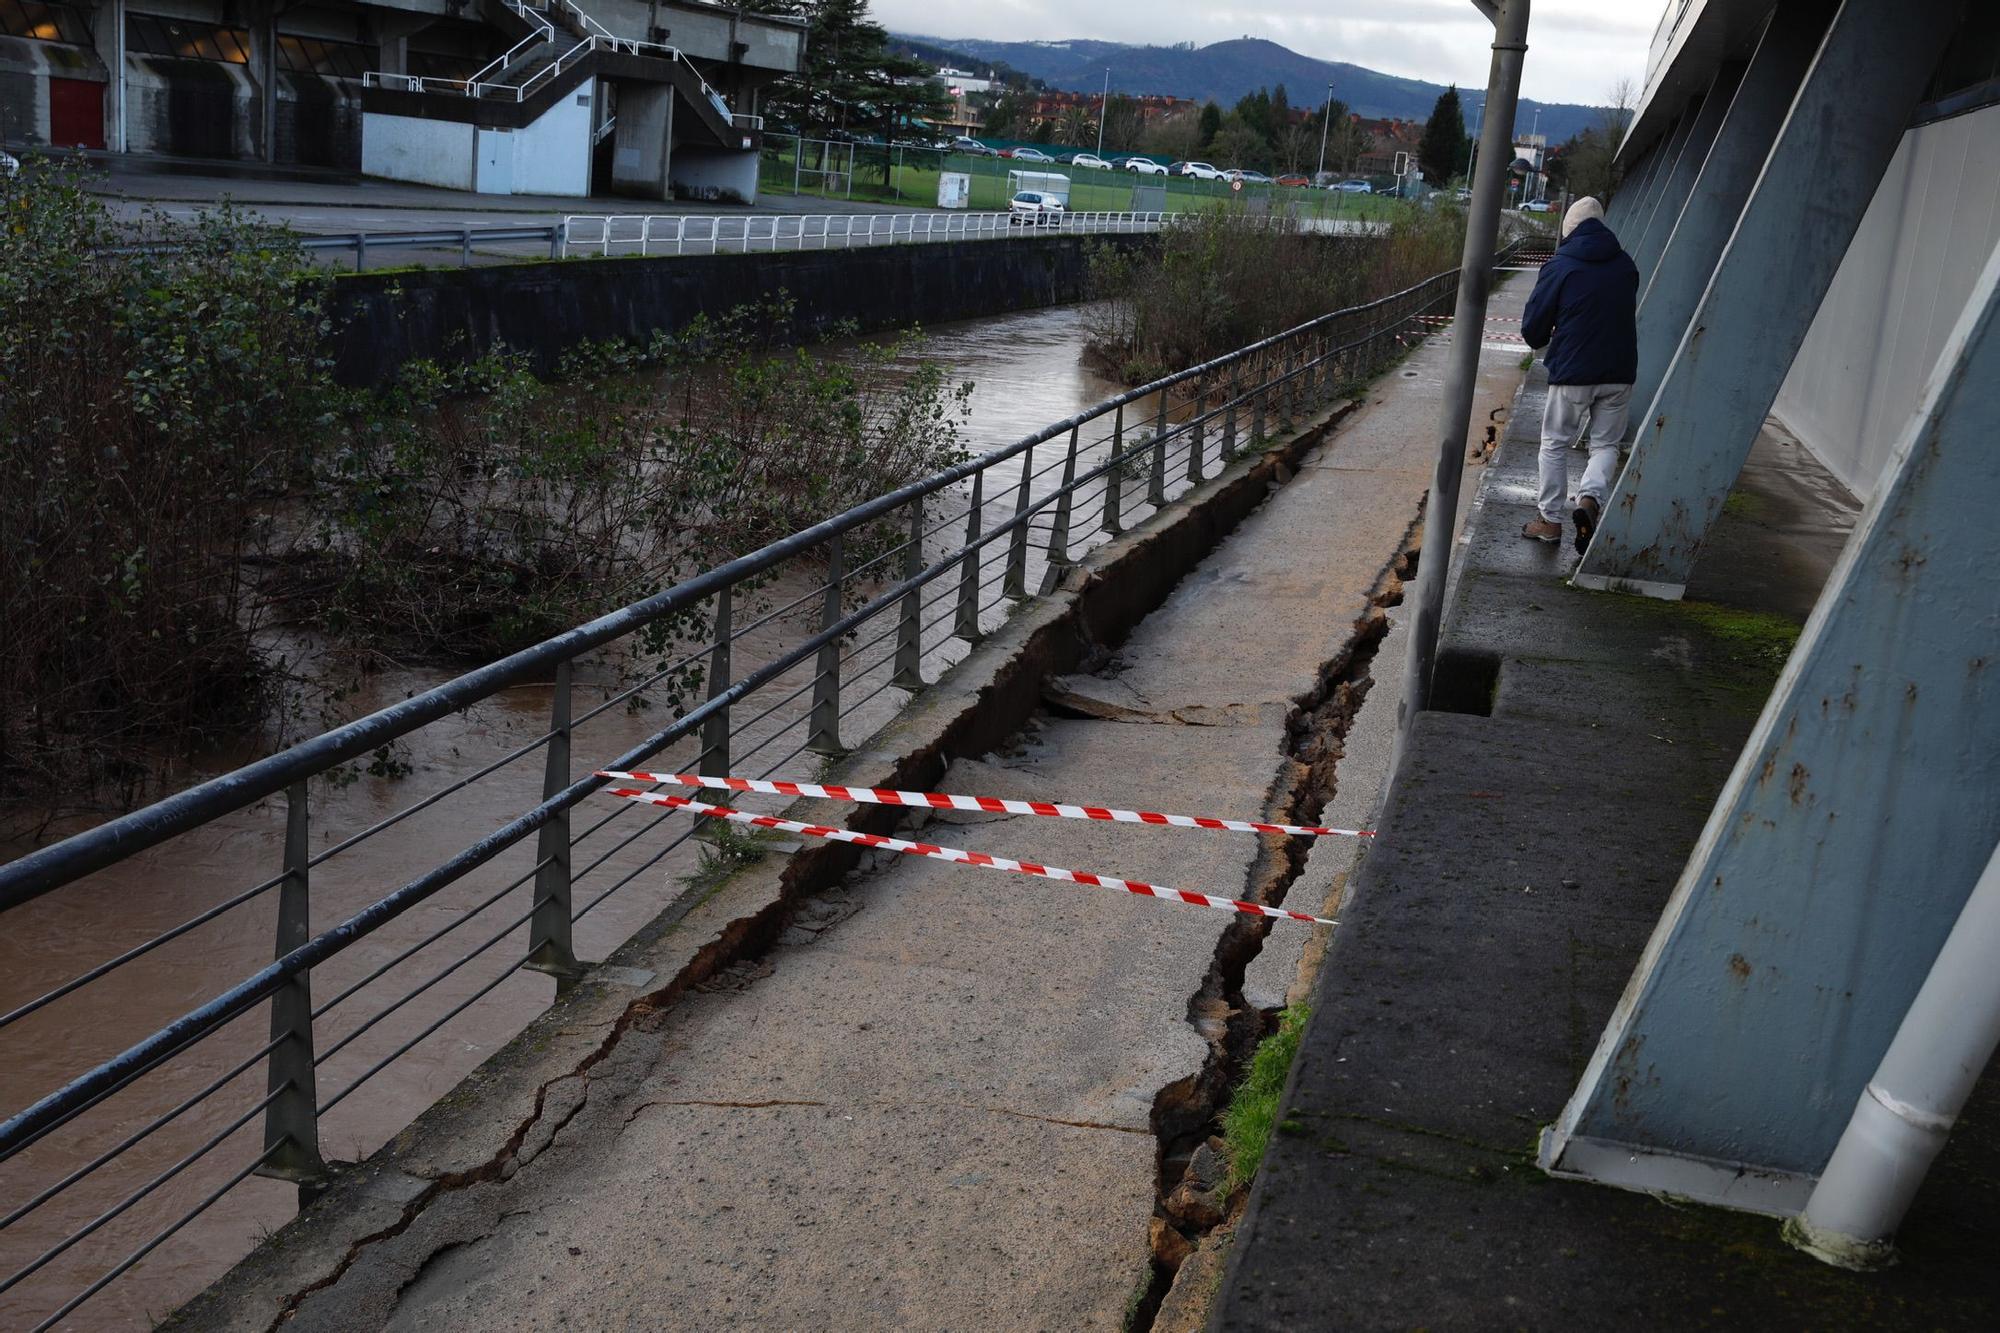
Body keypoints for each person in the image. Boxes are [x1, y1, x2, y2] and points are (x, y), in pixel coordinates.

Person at [1519, 196, 1640, 552]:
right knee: (1605, 444)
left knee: (1555, 442)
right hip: (1619, 370)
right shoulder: (1626, 265)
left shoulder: (1561, 265)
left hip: (1574, 370)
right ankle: (1589, 499)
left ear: (1568, 230)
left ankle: (1550, 521)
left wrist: (1541, 340)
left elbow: (1534, 327)